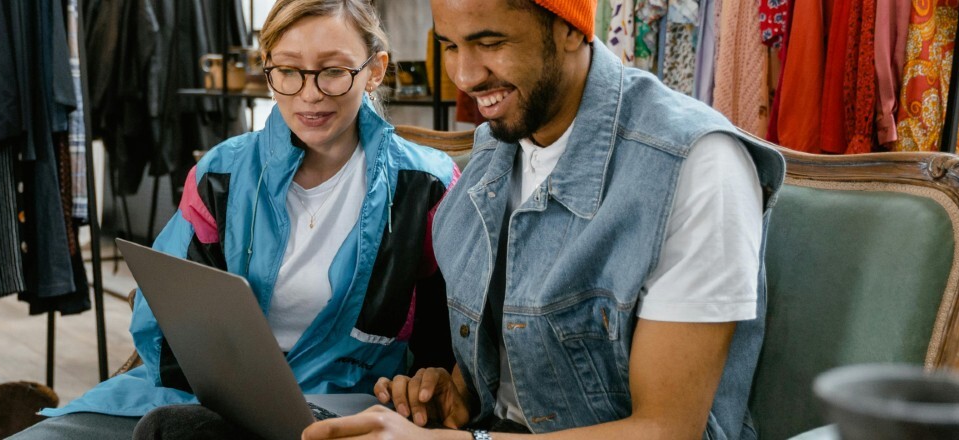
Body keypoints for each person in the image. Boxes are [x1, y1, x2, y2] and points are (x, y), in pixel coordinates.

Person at [302, 0, 787, 439]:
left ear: (570, 29)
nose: (465, 76)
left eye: (490, 42)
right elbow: (514, 372)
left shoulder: (696, 164)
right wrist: (455, 394)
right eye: (450, 46)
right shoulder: (497, 147)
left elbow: (665, 430)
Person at [9, 0, 458, 438]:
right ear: (267, 69)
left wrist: (430, 377)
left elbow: (453, 335)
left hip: (346, 405)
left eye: (334, 71)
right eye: (287, 70)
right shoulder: (220, 173)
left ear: (375, 70)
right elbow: (167, 315)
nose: (309, 93)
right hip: (204, 397)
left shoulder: (426, 186)